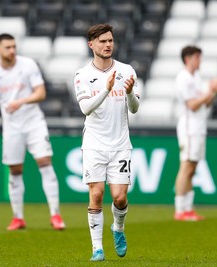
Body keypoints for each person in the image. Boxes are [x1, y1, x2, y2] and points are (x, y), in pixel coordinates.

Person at [0, 33, 65, 230]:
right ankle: (18, 217)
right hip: (12, 127)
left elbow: (41, 93)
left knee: (44, 162)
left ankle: (56, 215)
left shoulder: (28, 65)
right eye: (7, 47)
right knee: (15, 170)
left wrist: (21, 101)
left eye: (14, 46)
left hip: (34, 122)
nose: (12, 50)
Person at [74, 23, 140, 261]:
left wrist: (130, 92)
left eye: (110, 40)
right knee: (97, 194)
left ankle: (118, 228)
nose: (108, 45)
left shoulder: (127, 70)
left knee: (120, 198)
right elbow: (85, 108)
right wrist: (106, 89)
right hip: (94, 144)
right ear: (91, 44)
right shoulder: (83, 75)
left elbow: (134, 109)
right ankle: (97, 249)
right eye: (102, 41)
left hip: (121, 144)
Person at [173, 45, 217, 221]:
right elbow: (193, 105)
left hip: (197, 127)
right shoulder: (183, 79)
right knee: (186, 166)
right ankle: (180, 209)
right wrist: (211, 91)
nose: (200, 61)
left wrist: (214, 92)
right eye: (197, 57)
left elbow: (205, 103)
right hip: (189, 128)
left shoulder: (196, 77)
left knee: (192, 168)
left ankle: (188, 208)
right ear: (188, 58)